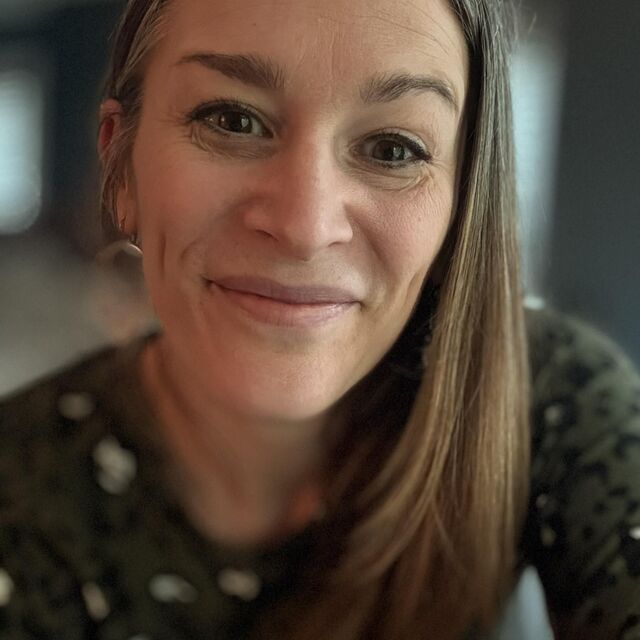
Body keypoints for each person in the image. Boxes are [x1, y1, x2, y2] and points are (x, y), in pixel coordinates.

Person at [1, 0, 639, 638]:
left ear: (461, 204)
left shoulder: (546, 398)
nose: (304, 228)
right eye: (233, 120)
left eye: (393, 149)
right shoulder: (17, 491)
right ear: (121, 170)